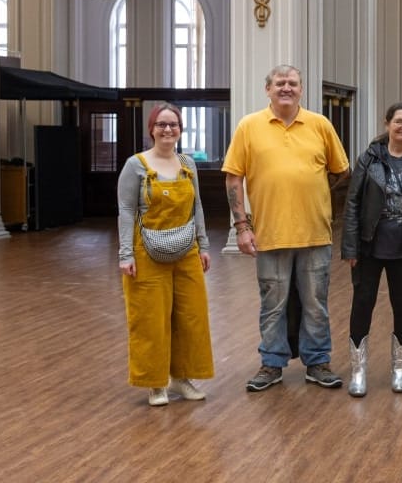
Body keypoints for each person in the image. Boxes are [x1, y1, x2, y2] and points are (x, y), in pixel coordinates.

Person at [223, 65, 351, 392]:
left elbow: (341, 170)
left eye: (292, 83)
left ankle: (318, 362)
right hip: (270, 234)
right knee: (272, 304)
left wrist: (313, 193)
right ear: (268, 89)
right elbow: (234, 177)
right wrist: (241, 226)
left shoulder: (320, 125)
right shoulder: (249, 126)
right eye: (279, 83)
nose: (286, 88)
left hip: (315, 234)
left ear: (301, 90)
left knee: (316, 303)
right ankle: (271, 364)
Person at [117, 103, 213, 406]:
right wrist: (125, 254)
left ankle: (182, 378)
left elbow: (196, 206)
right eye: (161, 124)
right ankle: (155, 383)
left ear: (180, 129)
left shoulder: (187, 164)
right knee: (150, 319)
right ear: (151, 129)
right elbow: (125, 210)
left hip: (186, 250)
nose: (168, 129)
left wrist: (204, 245)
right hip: (146, 252)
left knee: (190, 316)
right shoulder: (136, 165)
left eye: (173, 124)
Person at [341, 103, 402, 397]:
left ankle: (400, 367)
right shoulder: (369, 158)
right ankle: (358, 371)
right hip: (370, 245)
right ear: (387, 124)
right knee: (362, 305)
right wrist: (350, 245)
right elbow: (353, 203)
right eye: (399, 121)